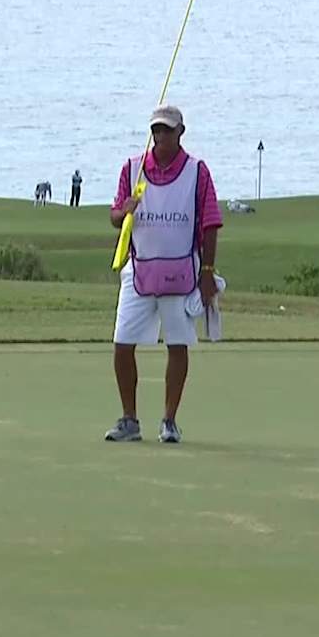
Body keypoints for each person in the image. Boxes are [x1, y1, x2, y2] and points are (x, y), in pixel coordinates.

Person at [104, 104, 222, 444]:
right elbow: (115, 216)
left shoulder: (197, 171)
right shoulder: (133, 168)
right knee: (122, 343)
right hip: (138, 270)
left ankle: (169, 420)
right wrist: (122, 211)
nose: (161, 136)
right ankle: (130, 420)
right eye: (156, 129)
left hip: (182, 272)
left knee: (178, 344)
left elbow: (210, 223)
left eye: (167, 130)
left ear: (180, 132)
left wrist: (208, 272)